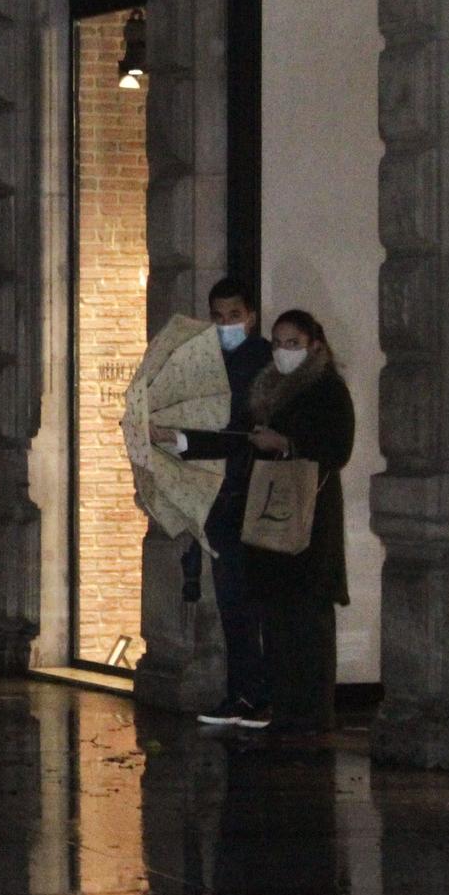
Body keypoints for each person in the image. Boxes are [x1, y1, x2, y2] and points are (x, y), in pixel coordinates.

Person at [154, 278, 276, 729]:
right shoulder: (212, 360)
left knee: (244, 598)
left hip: (245, 491)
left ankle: (255, 695)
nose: (225, 325)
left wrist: (183, 438)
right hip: (221, 495)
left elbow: (235, 430)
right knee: (230, 599)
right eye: (218, 317)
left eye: (234, 316)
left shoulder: (258, 361)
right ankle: (240, 693)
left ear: (251, 316)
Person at [238, 310, 355, 737]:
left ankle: (314, 713)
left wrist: (286, 444)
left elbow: (337, 448)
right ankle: (286, 709)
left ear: (313, 345)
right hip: (274, 512)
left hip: (311, 513)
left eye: (292, 343)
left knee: (309, 616)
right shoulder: (270, 389)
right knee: (278, 616)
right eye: (277, 343)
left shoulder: (328, 389)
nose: (283, 351)